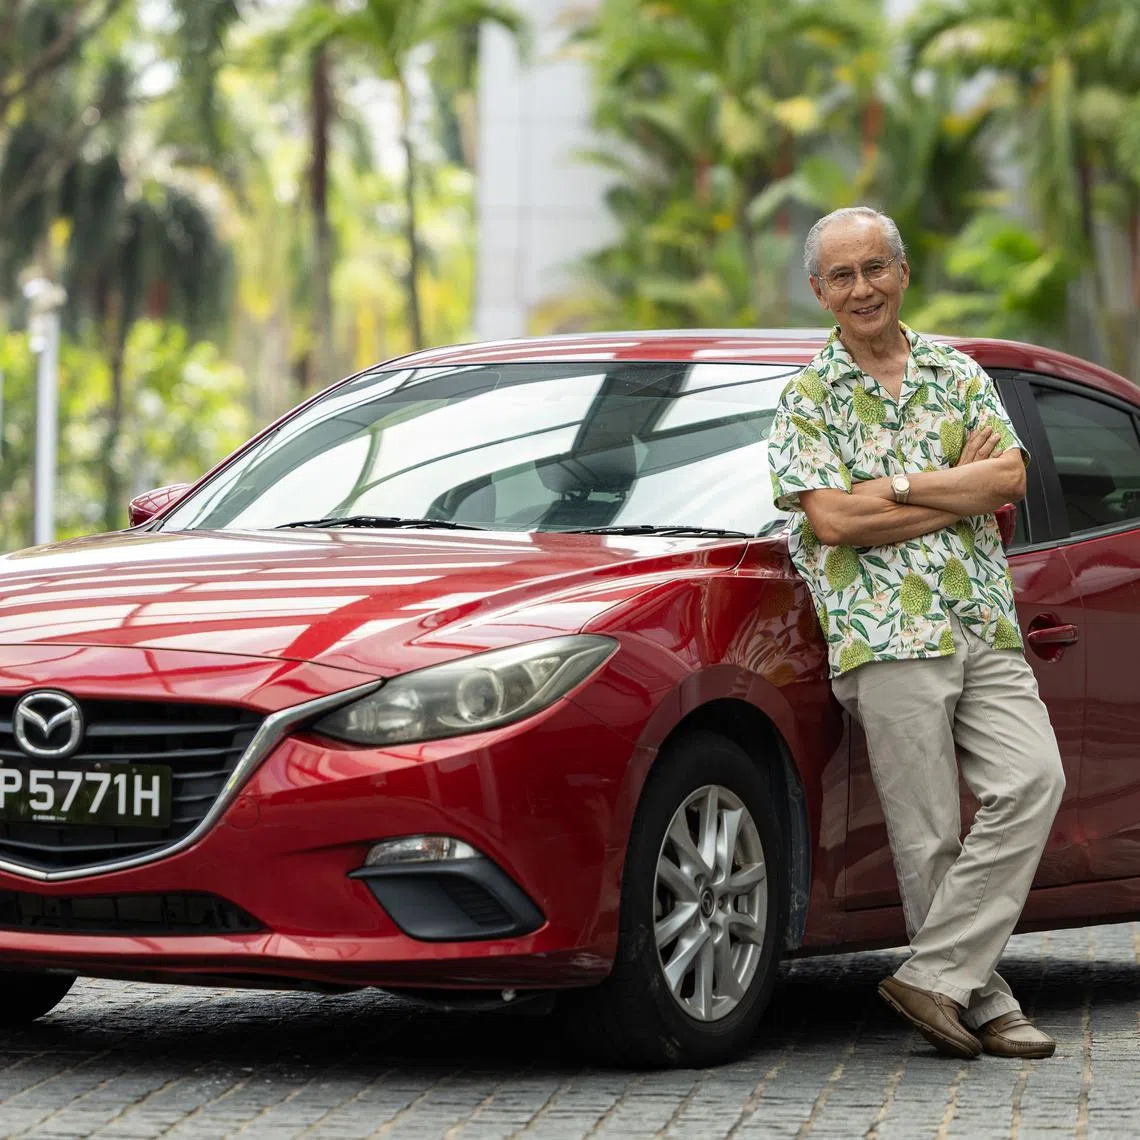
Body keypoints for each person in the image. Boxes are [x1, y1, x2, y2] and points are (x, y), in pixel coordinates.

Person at [767, 206, 1065, 1060]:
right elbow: (832, 522)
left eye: (875, 268)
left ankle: (933, 978)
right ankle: (986, 1001)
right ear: (818, 290)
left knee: (1033, 781)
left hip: (978, 615)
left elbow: (1004, 478)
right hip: (884, 635)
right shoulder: (807, 397)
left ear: (902, 273)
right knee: (927, 831)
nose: (863, 288)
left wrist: (890, 490)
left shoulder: (956, 370)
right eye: (843, 275)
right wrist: (942, 486)